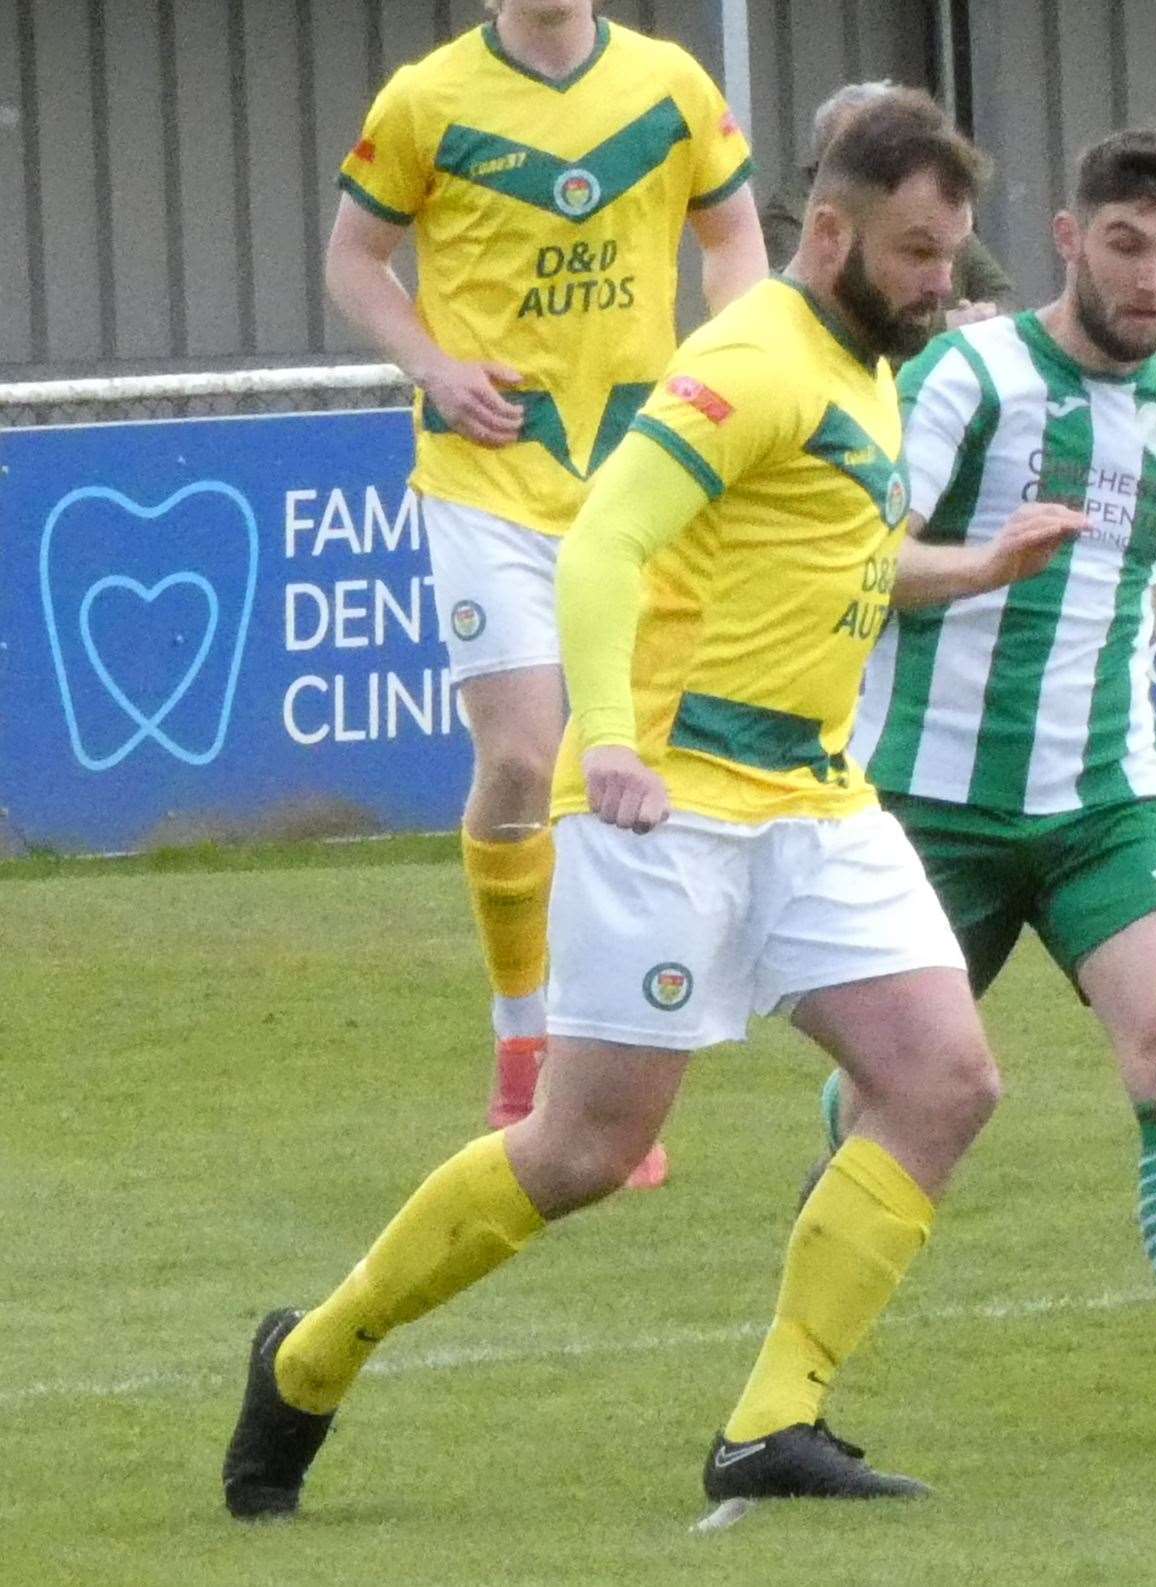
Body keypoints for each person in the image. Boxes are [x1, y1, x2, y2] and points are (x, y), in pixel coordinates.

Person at [221, 88, 1085, 1522]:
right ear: (830, 230)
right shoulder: (752, 358)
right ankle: (311, 1356)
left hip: (813, 796)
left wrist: (976, 567)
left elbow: (840, 563)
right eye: (921, 253)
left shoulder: (865, 365)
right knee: (584, 1150)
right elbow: (603, 544)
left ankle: (776, 1419)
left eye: (954, 253)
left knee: (946, 1077)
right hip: (665, 801)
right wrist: (608, 740)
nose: (946, 283)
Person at [821, 126, 1156, 1447]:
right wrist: (986, 564)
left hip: (1107, 797)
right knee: (899, 1087)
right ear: (1068, 238)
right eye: (1128, 246)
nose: (1153, 279)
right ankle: (835, 1208)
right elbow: (864, 558)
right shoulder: (969, 376)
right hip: (928, 804)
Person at [326, 0, 769, 1175]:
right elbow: (353, 258)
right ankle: (522, 1042)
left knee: (625, 776)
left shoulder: (671, 84)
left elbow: (732, 241)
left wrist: (729, 357)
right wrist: (433, 365)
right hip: (488, 472)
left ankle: (601, 1079)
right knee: (524, 758)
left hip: (643, 469)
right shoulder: (426, 100)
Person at [762, 81, 1014, 329]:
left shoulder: (933, 215)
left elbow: (1002, 295)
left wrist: (985, 317)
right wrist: (946, 325)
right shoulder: (794, 213)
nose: (943, 284)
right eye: (918, 252)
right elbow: (824, 304)